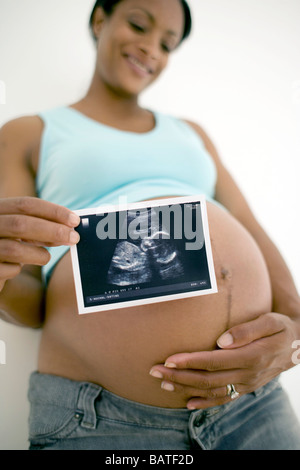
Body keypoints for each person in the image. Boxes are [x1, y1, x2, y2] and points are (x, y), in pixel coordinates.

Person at [0, 0, 300, 450]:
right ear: (101, 20)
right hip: (101, 416)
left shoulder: (191, 133)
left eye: (168, 43)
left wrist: (295, 329)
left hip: (249, 402)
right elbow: (31, 304)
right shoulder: (30, 132)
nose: (151, 49)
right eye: (139, 24)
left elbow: (249, 226)